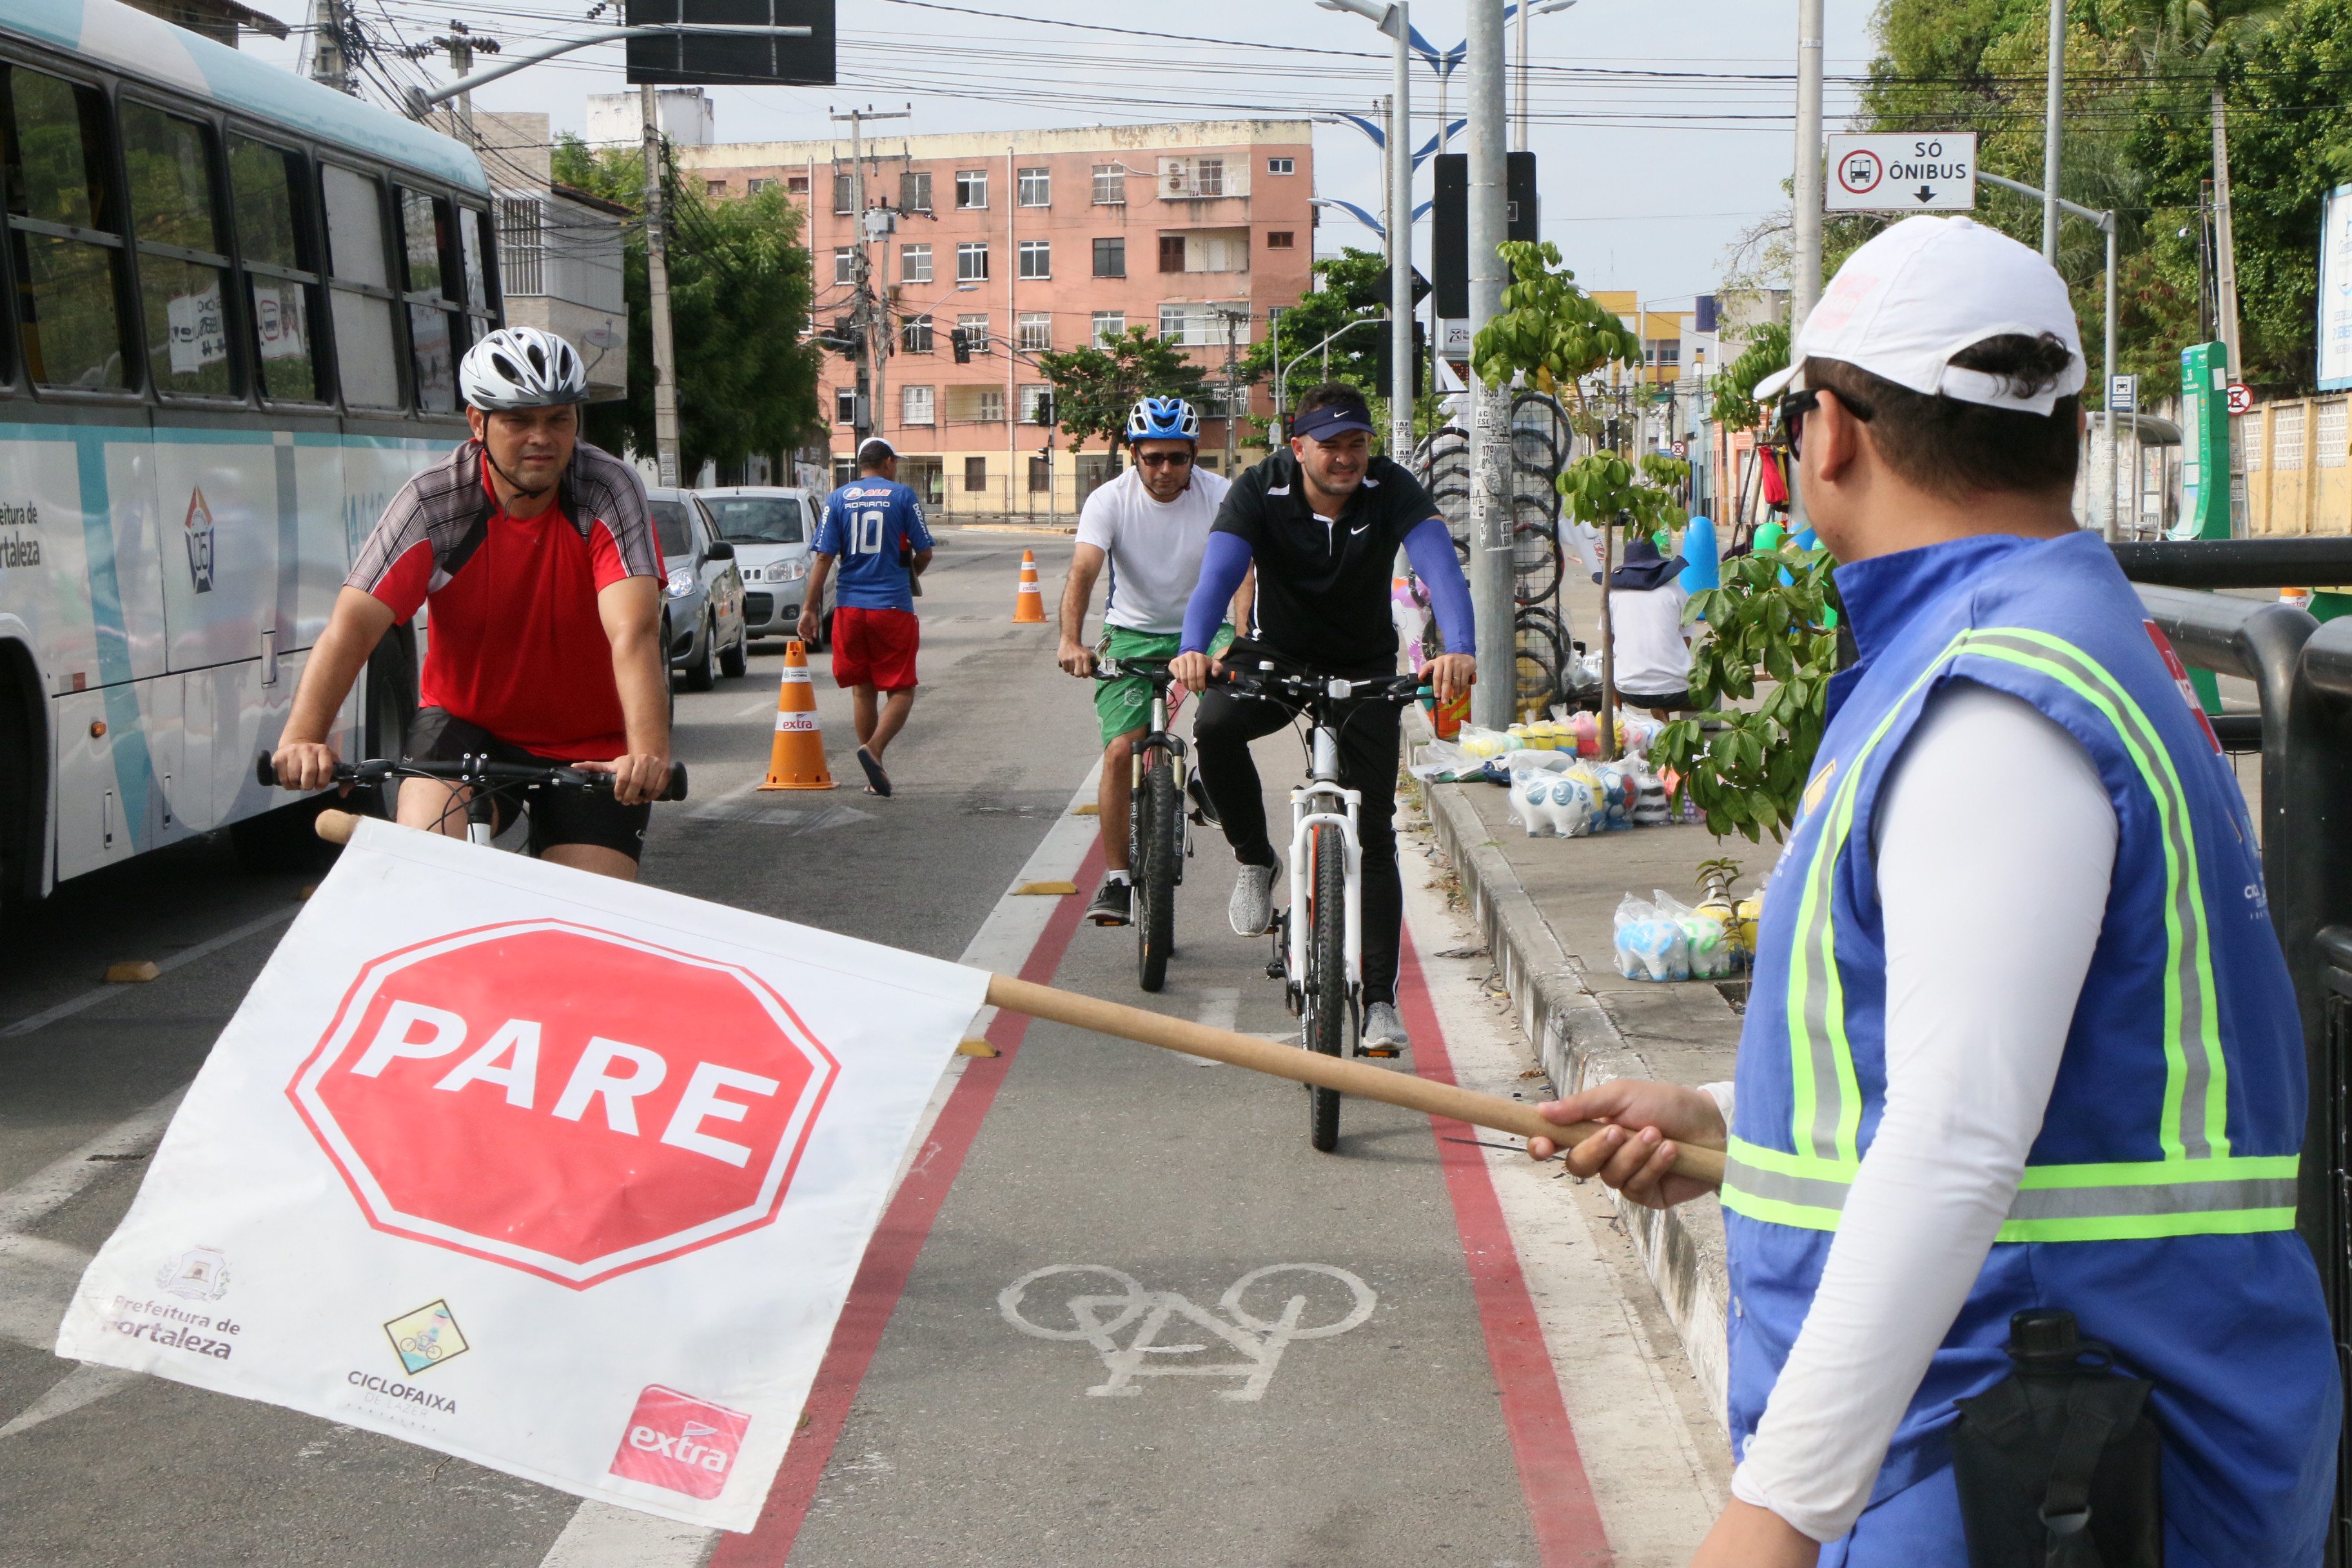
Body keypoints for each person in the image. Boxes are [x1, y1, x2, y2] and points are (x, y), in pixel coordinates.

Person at [1529, 216, 2335, 1567]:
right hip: (2061, 1427)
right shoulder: (2062, 649)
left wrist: (1771, 1517)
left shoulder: (1994, 697)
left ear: (1831, 432)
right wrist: (1734, 1121)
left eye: (1789, 423)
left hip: (2026, 1460)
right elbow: (2040, 1064)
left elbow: (1959, 1135)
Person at [270, 327, 669, 881]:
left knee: (586, 921)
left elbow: (635, 630)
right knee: (423, 871)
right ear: (478, 423)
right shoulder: (436, 501)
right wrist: (303, 738)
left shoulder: (607, 488)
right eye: (518, 421)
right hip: (465, 724)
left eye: (559, 419)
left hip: (591, 742)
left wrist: (647, 754)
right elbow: (352, 628)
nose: (542, 438)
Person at [1171, 383, 1477, 1055]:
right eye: (1331, 445)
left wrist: (1460, 648)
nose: (1346, 458)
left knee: (1375, 834)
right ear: (1298, 446)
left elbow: (1440, 571)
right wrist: (1195, 648)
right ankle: (1255, 859)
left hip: (1365, 663)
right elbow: (1217, 576)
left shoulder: (1392, 488)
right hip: (1275, 655)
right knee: (1215, 726)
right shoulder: (1260, 488)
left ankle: (1378, 1001)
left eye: (1357, 444)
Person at [1059, 397, 1251, 926]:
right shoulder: (1108, 501)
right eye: (1152, 458)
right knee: (1121, 751)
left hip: (1206, 628)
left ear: (1195, 454)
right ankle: (1119, 879)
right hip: (1133, 632)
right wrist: (1071, 640)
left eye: (1178, 458)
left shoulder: (1222, 496)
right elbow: (1083, 571)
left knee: (1228, 719)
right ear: (1133, 455)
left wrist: (1240, 633)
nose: (1165, 470)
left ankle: (1208, 779)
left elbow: (1243, 569)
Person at [799, 437, 934, 796]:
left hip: (849, 608)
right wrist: (910, 576)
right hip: (891, 607)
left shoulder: (837, 499)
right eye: (896, 463)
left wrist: (811, 608)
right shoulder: (903, 496)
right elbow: (925, 552)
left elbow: (824, 558)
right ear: (888, 462)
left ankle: (874, 772)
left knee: (863, 689)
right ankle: (873, 750)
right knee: (902, 689)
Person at [1600, 534, 1694, 717]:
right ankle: (1692, 731)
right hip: (1676, 691)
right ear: (1659, 566)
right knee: (1709, 679)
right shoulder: (1677, 593)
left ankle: (1621, 719)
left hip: (1628, 689)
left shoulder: (1613, 596)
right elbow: (1687, 641)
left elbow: (1609, 641)